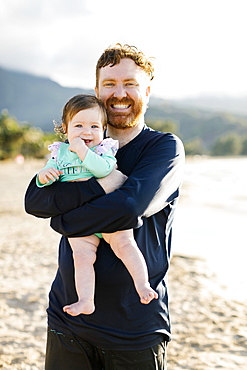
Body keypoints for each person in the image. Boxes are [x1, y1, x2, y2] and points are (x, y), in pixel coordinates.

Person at [25, 43, 185, 370]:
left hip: (134, 328)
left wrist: (63, 222)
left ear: (148, 91)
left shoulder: (164, 149)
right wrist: (102, 186)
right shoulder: (78, 146)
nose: (120, 93)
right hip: (68, 318)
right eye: (110, 84)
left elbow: (130, 207)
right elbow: (36, 200)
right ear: (97, 90)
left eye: (130, 84)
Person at [37, 94, 158, 316]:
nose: (86, 132)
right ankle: (85, 300)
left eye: (94, 126)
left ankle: (142, 284)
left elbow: (103, 171)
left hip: (110, 214)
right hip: (81, 220)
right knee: (82, 257)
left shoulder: (104, 150)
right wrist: (44, 176)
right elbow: (43, 181)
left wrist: (82, 151)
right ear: (66, 128)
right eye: (79, 125)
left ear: (103, 130)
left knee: (126, 245)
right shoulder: (59, 152)